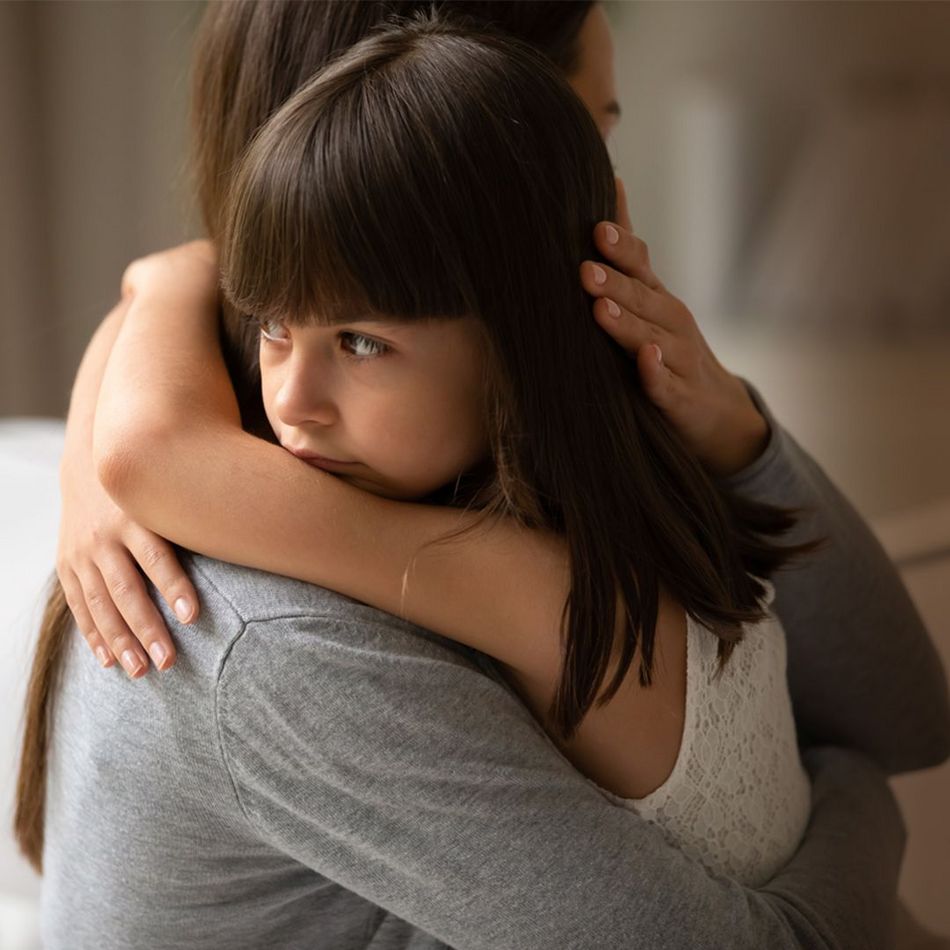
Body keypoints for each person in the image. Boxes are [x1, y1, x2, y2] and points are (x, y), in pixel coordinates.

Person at [14, 2, 947, 948]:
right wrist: (854, 790)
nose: (607, 196)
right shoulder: (286, 631)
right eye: (586, 126)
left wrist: (736, 432)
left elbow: (901, 709)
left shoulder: (500, 466)